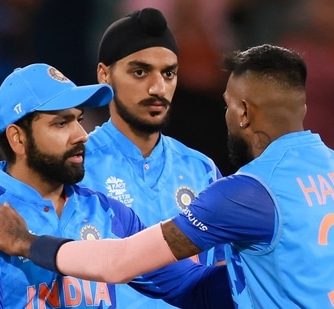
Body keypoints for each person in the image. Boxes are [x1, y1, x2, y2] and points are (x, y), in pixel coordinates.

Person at [0, 44, 334, 308]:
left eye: (227, 105)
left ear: (243, 112)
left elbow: (118, 263)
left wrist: (26, 243)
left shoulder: (248, 192)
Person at [0, 63, 232, 308]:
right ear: (18, 138)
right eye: (61, 124)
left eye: (79, 119)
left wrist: (265, 273)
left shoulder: (111, 213)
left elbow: (191, 286)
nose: (82, 134)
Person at [80, 7, 225, 308]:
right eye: (140, 71)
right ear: (104, 75)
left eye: (168, 73)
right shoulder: (76, 167)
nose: (158, 88)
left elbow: (222, 274)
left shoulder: (202, 170)